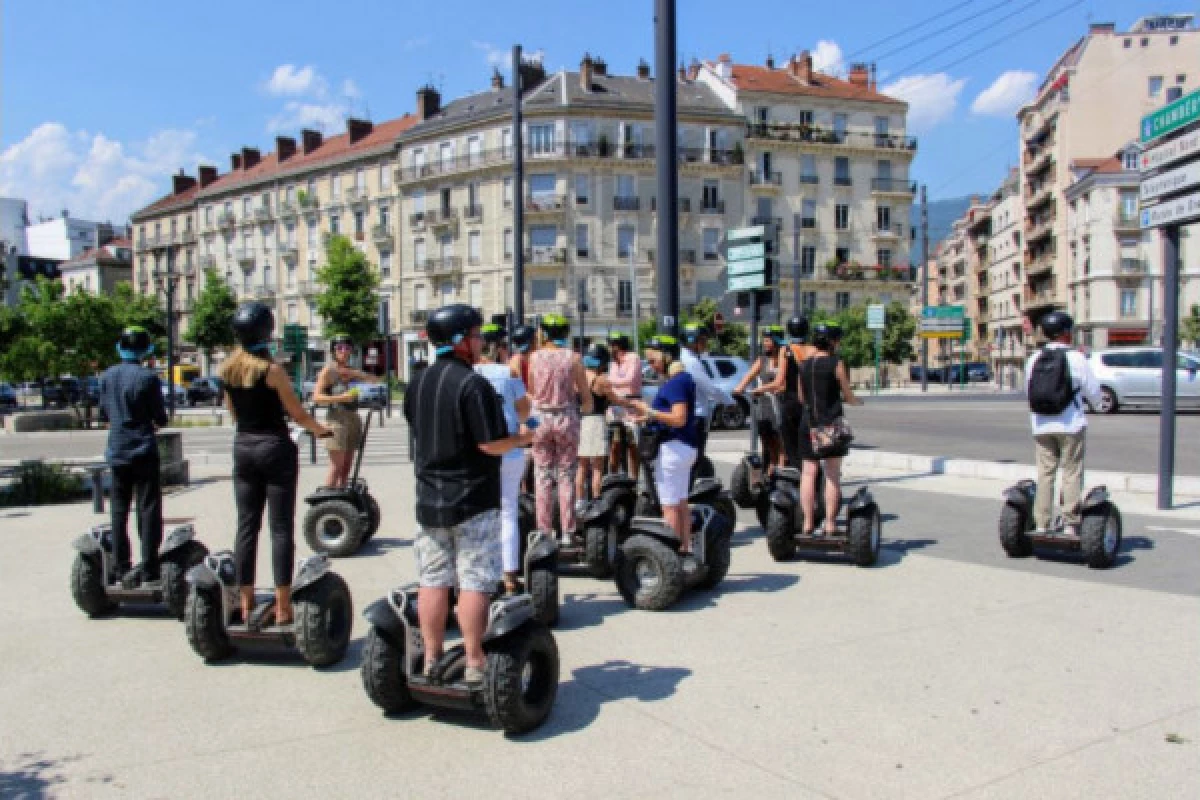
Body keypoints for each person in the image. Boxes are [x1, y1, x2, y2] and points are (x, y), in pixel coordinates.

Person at [404, 305, 533, 686]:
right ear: (461, 340)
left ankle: (431, 657)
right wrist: (524, 439)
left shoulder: (418, 382)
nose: (481, 342)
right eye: (476, 335)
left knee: (433, 580)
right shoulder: (472, 384)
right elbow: (491, 445)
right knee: (475, 581)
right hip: (473, 498)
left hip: (429, 498)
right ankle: (475, 659)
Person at [219, 302, 331, 627]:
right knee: (280, 527)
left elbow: (234, 413)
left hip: (243, 446)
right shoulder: (272, 371)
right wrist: (320, 430)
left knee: (246, 526)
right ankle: (283, 606)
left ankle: (245, 600)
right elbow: (297, 413)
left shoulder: (227, 370)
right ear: (266, 333)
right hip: (274, 447)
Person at [98, 326, 168, 587]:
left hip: (117, 450)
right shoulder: (148, 378)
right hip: (143, 450)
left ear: (120, 348)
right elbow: (160, 417)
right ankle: (149, 566)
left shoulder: (106, 377)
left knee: (118, 509)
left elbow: (104, 415)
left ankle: (120, 565)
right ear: (146, 350)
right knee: (148, 508)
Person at [1024, 311, 1102, 535]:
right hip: (1070, 425)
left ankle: (1041, 524)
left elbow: (1029, 392)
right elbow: (1094, 392)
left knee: (1045, 474)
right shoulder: (1076, 358)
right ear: (1066, 333)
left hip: (1041, 426)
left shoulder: (1033, 359)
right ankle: (1070, 523)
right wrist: (1097, 406)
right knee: (1071, 472)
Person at [628, 335, 699, 562]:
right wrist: (648, 419)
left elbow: (678, 418)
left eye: (653, 360)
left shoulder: (675, 383)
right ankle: (684, 549)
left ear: (667, 357)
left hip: (672, 448)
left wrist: (649, 412)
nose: (651, 365)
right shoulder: (685, 378)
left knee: (669, 507)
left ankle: (668, 558)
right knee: (681, 503)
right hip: (685, 447)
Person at [475, 323, 532, 595]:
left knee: (479, 513)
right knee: (508, 510)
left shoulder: (468, 373)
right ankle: (509, 575)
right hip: (509, 448)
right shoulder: (508, 372)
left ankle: (480, 574)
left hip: (478, 451)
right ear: (500, 347)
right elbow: (524, 412)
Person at [528, 314, 593, 537]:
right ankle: (568, 531)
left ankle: (544, 531)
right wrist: (582, 410)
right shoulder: (574, 358)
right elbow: (586, 397)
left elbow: (532, 392)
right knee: (566, 475)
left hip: (540, 418)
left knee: (542, 475)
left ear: (543, 333)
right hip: (566, 417)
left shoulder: (534, 357)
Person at [797, 323, 863, 537]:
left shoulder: (804, 365)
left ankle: (807, 522)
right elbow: (847, 393)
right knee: (832, 474)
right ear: (833, 341)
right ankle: (830, 523)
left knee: (808, 473)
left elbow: (801, 397)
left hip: (808, 424)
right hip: (830, 424)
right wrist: (856, 402)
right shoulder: (836, 363)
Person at [313, 334, 382, 489]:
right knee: (336, 466)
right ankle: (328, 499)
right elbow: (317, 397)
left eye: (347, 348)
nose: (343, 351)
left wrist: (357, 374)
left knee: (347, 466)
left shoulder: (352, 371)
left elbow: (376, 381)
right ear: (333, 350)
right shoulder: (328, 371)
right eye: (339, 348)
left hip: (352, 417)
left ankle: (343, 496)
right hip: (336, 419)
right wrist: (340, 397)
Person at [578, 343, 626, 505]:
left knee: (582, 466)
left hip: (580, 421)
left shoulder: (578, 378)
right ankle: (597, 501)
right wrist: (636, 405)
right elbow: (616, 400)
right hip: (595, 422)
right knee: (597, 466)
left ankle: (580, 502)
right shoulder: (600, 380)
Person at [733, 325, 787, 471]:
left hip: (779, 404)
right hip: (763, 405)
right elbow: (749, 375)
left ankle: (781, 473)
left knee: (780, 443)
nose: (765, 343)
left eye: (768, 340)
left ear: (776, 341)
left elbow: (784, 383)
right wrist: (739, 388)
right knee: (767, 442)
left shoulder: (784, 358)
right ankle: (768, 473)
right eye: (764, 340)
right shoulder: (762, 360)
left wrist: (768, 389)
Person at [680, 322, 732, 463]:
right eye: (702, 340)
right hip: (696, 416)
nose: (705, 343)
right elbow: (709, 388)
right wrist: (729, 401)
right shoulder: (691, 362)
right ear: (692, 341)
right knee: (695, 458)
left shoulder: (683, 358)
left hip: (688, 414)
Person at [606, 331, 643, 477]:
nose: (611, 348)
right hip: (616, 405)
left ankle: (634, 478)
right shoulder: (613, 362)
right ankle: (613, 476)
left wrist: (610, 382)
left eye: (613, 345)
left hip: (632, 403)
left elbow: (629, 379)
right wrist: (611, 383)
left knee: (633, 445)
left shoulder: (633, 358)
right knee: (615, 445)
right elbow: (613, 380)